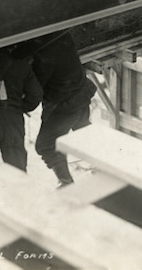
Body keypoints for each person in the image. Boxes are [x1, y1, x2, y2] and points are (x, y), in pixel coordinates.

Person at [15, 31, 96, 187]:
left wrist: (22, 106)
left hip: (65, 106)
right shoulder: (64, 35)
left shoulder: (44, 58)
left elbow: (36, 90)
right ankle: (103, 164)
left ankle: (67, 183)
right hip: (81, 91)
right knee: (83, 131)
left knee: (45, 145)